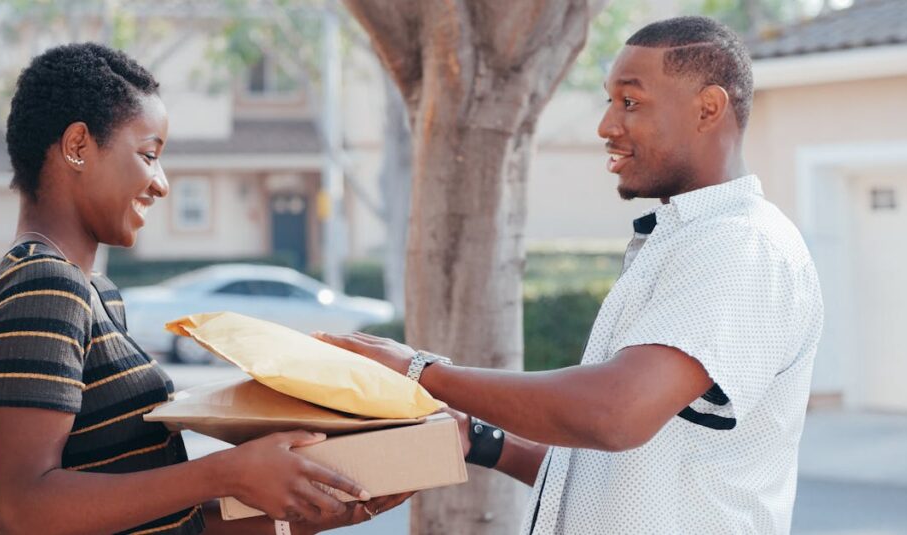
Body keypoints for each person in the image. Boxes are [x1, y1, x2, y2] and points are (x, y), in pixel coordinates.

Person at [316, 16, 824, 535]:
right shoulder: (686, 241)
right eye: (609, 101)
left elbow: (615, 413)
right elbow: (617, 477)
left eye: (630, 102)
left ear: (708, 108)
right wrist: (480, 440)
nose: (606, 125)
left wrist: (420, 371)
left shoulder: (740, 245)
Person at [0, 42, 408, 535]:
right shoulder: (43, 282)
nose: (160, 184)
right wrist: (225, 473)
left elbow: (158, 520)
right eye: (148, 155)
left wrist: (305, 512)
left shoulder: (95, 292)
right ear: (77, 146)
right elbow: (23, 511)